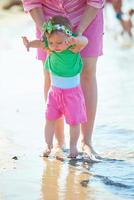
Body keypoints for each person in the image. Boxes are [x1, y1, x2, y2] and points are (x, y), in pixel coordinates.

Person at [22, 0, 105, 159]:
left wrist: (78, 33)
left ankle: (86, 142)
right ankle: (58, 143)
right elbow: (32, 2)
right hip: (48, 20)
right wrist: (45, 34)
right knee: (51, 72)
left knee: (87, 72)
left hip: (86, 13)